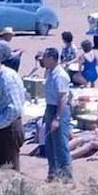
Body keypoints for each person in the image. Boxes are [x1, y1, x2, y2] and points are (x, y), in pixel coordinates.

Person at [40, 47, 72, 182]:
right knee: (50, 143)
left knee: (60, 144)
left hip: (59, 110)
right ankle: (53, 174)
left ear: (51, 59)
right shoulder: (50, 73)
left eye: (45, 58)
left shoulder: (60, 75)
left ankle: (67, 177)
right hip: (50, 108)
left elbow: (62, 98)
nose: (43, 60)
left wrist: (57, 118)